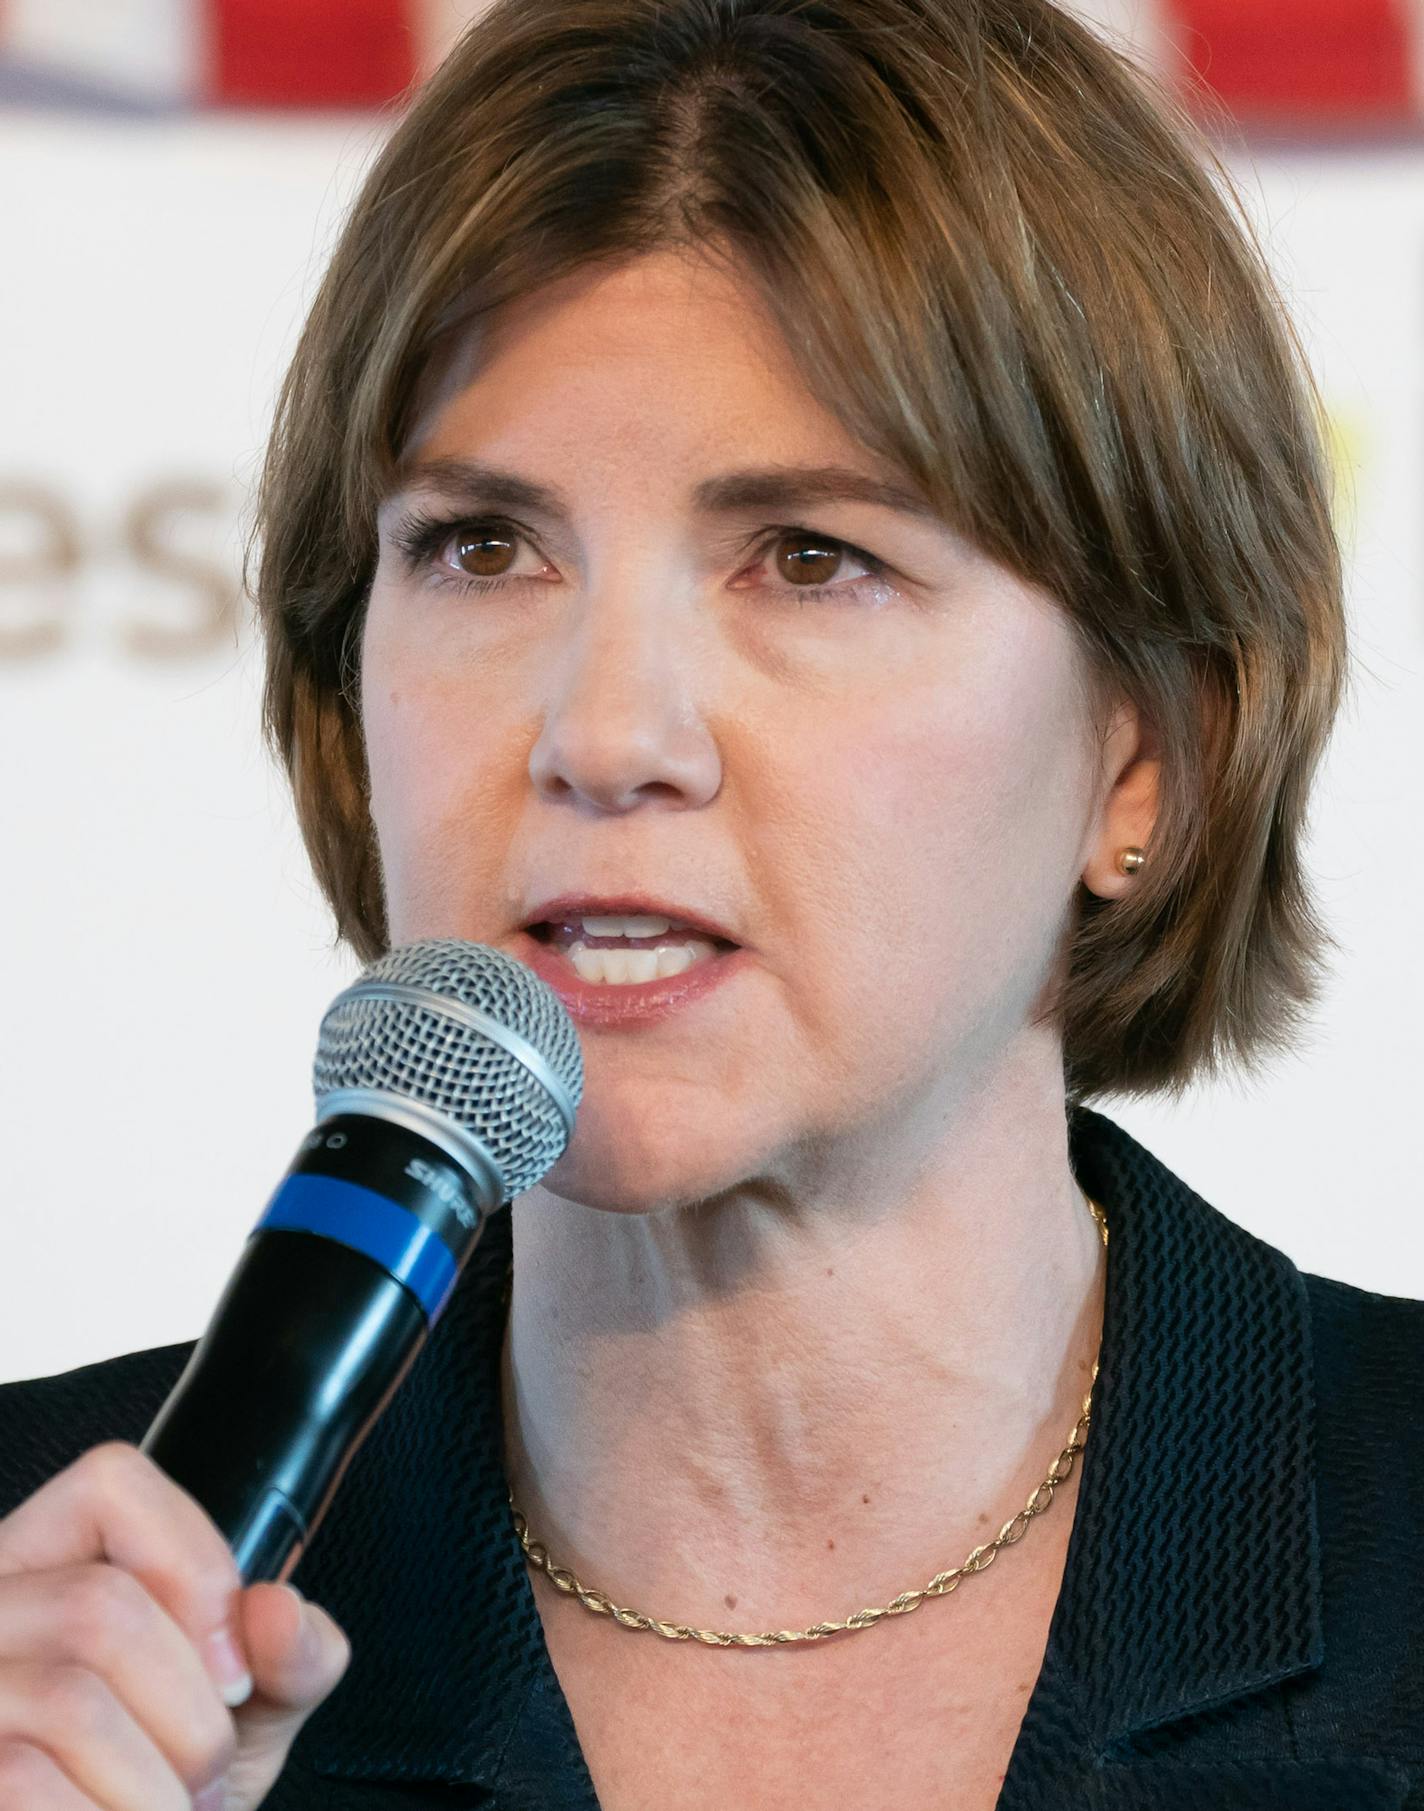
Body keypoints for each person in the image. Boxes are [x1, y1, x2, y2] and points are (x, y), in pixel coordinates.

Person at [1, 0, 1421, 1806]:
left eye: (811, 559)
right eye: (483, 548)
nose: (605, 734)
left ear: (1147, 755)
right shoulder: (46, 1615)